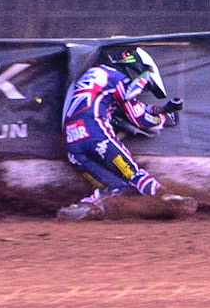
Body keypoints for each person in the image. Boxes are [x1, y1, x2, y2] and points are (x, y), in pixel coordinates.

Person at [58, 47, 195, 220]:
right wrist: (163, 119)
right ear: (138, 68)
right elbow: (139, 118)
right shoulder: (121, 79)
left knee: (119, 188)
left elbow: (119, 105)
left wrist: (161, 109)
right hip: (96, 133)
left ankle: (85, 207)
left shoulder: (97, 74)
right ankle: (167, 197)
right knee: (132, 173)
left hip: (72, 143)